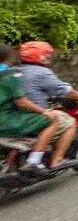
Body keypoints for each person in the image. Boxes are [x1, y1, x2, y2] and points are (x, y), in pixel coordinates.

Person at [17, 41, 78, 170]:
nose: (48, 57)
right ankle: (56, 160)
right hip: (33, 114)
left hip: (13, 114)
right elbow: (65, 91)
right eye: (46, 54)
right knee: (69, 122)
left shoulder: (15, 70)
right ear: (39, 56)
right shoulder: (42, 72)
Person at [0, 44, 71, 174]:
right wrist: (44, 111)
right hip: (6, 121)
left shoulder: (17, 71)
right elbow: (21, 102)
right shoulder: (9, 74)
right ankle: (34, 161)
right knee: (54, 118)